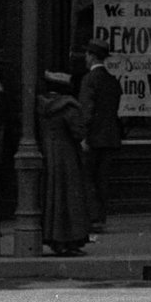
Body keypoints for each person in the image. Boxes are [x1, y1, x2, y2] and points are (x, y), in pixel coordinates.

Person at [36, 68, 91, 254]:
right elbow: (79, 132)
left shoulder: (40, 106)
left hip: (48, 154)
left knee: (52, 197)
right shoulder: (69, 107)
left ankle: (54, 238)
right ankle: (70, 240)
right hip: (67, 156)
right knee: (70, 198)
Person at [74, 39, 123, 232]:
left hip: (93, 139)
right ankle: (100, 218)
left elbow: (86, 111)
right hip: (110, 137)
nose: (85, 58)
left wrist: (82, 136)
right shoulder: (112, 81)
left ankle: (93, 219)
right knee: (103, 180)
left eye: (87, 54)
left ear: (92, 56)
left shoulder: (89, 80)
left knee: (88, 179)